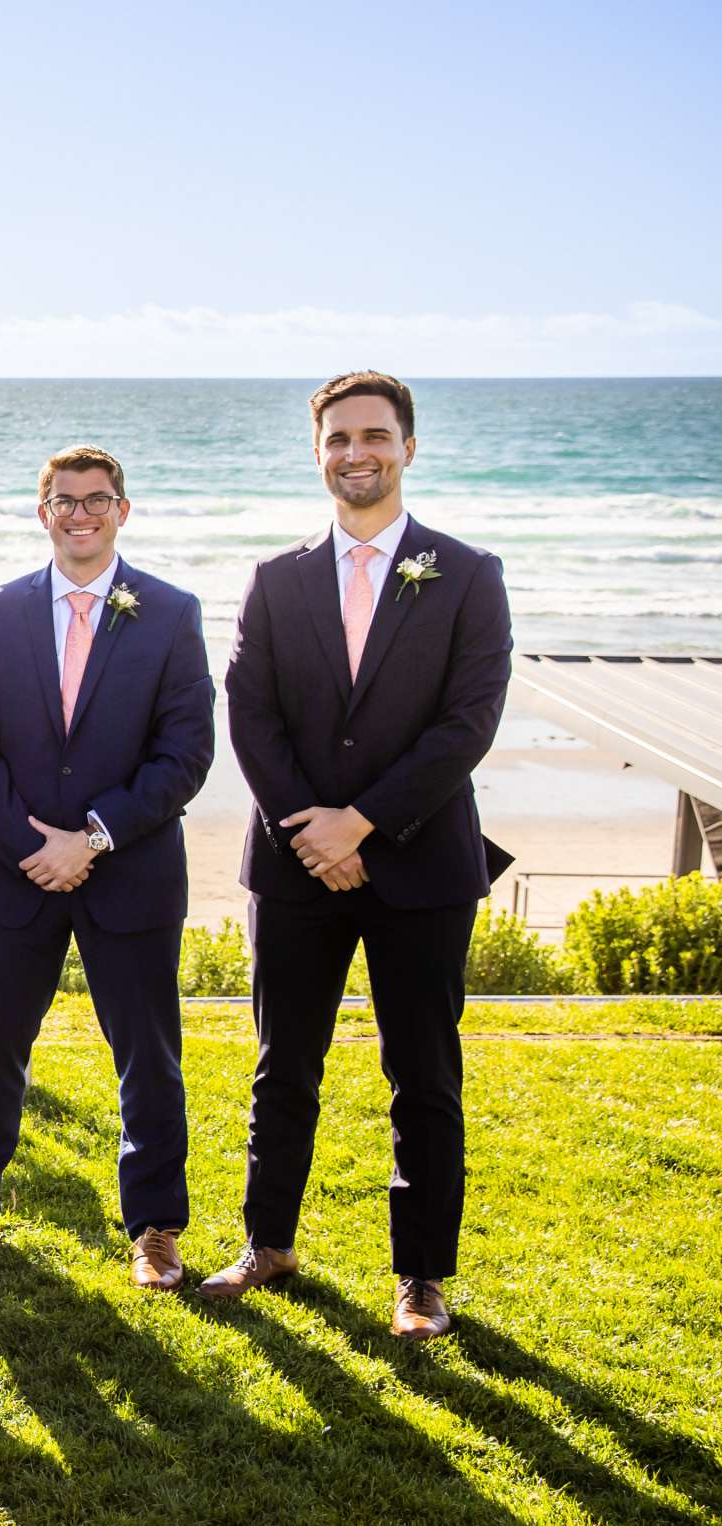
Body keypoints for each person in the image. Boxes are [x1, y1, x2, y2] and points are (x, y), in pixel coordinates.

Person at [202, 370, 512, 1342]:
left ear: (408, 447)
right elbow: (250, 713)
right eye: (338, 438)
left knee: (423, 1073)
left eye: (374, 435)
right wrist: (313, 825)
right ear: (319, 450)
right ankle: (269, 1241)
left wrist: (364, 822)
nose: (355, 453)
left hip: (423, 864)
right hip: (294, 865)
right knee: (282, 1063)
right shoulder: (275, 578)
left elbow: (467, 723)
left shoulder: (467, 573)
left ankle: (421, 1276)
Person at [0, 446, 214, 1286]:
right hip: (16, 875)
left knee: (148, 1057)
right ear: (43, 513)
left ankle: (155, 1228)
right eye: (64, 500)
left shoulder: (171, 613)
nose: (81, 513)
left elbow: (186, 754)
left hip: (127, 873)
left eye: (98, 500)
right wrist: (32, 847)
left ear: (123, 510)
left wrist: (92, 837)